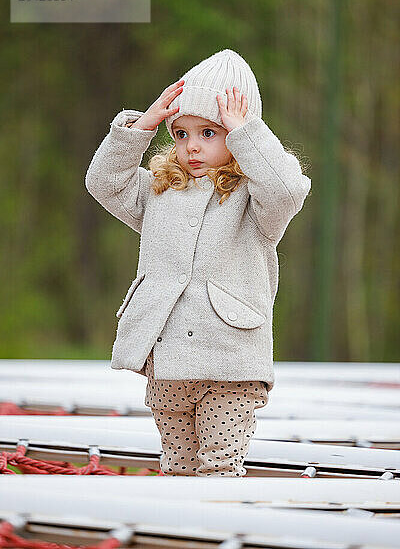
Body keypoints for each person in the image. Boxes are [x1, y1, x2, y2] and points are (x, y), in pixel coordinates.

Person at [85, 48, 312, 476]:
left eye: (209, 133)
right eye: (182, 133)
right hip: (167, 364)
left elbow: (287, 189)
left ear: (238, 133)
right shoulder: (158, 190)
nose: (191, 146)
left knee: (219, 470)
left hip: (231, 365)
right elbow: (103, 182)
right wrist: (140, 128)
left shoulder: (256, 199)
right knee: (177, 470)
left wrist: (249, 133)